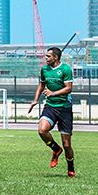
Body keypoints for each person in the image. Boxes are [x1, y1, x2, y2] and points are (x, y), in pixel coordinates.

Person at [28, 46, 76, 178]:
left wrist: (52, 93)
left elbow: (68, 88)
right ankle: (56, 149)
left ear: (55, 57)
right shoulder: (44, 70)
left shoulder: (65, 69)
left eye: (48, 56)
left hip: (64, 108)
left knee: (67, 145)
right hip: (50, 106)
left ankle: (71, 167)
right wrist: (35, 100)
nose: (46, 58)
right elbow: (41, 85)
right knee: (42, 130)